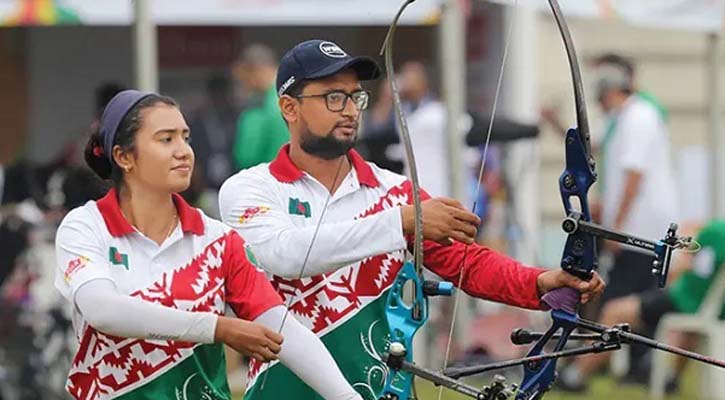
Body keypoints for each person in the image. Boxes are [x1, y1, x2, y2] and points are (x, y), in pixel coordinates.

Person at [218, 39, 606, 399]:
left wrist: (538, 282)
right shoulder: (250, 189)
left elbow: (467, 262)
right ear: (289, 107)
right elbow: (284, 256)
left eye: (356, 96)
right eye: (334, 97)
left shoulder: (395, 191)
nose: (351, 109)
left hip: (383, 388)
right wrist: (401, 222)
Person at [54, 90, 362, 399]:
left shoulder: (219, 240)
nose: (184, 151)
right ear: (123, 157)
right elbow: (102, 310)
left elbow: (284, 331)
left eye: (185, 138)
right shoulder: (85, 227)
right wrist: (218, 328)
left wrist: (347, 397)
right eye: (166, 139)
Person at [559, 220, 725, 392]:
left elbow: (685, 266)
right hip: (711, 308)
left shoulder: (714, 232)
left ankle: (575, 376)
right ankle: (670, 378)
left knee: (614, 312)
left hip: (684, 300)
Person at [231, 44, 289, 170]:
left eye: (243, 79)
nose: (244, 86)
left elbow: (247, 156)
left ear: (253, 71)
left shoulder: (258, 106)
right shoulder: (297, 96)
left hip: (266, 180)